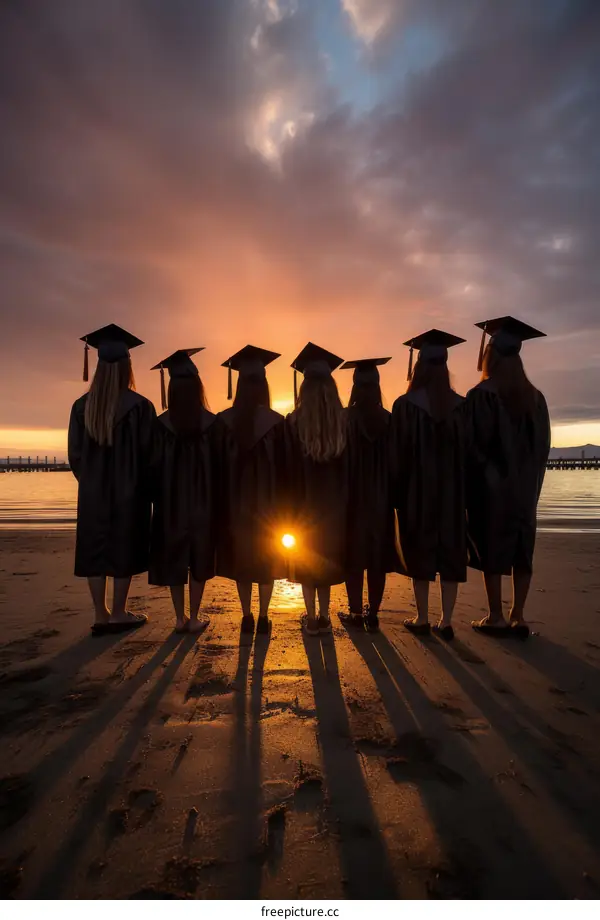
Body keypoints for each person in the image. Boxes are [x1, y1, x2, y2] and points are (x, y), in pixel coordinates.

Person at [68, 324, 156, 636]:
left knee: (95, 549)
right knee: (124, 547)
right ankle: (119, 611)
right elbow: (149, 455)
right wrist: (143, 485)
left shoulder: (81, 407)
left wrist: (92, 481)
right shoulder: (141, 407)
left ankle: (100, 614)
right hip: (129, 491)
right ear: (127, 367)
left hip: (92, 492)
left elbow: (75, 456)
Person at [467, 316, 550, 639]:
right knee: (522, 547)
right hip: (525, 488)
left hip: (492, 488)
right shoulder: (536, 398)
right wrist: (529, 482)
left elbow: (473, 445)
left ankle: (496, 615)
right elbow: (542, 447)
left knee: (492, 546)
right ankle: (519, 616)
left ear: (490, 355)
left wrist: (484, 475)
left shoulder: (481, 395)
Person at [390, 329, 467, 640]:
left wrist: (396, 493)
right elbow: (471, 453)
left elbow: (396, 454)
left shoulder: (405, 405)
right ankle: (446, 621)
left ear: (418, 366)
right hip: (452, 493)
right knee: (450, 551)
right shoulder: (462, 406)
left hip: (416, 493)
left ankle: (422, 617)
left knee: (419, 549)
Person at [216, 345, 286, 636]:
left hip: (235, 505)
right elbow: (285, 469)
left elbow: (217, 468)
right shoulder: (277, 423)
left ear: (239, 385)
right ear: (264, 386)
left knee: (241, 559)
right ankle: (264, 616)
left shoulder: (222, 421)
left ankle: (246, 616)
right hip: (268, 506)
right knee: (266, 561)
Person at [149, 348, 218, 634]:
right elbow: (219, 468)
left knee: (176, 558)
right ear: (198, 387)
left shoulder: (161, 425)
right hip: (203, 503)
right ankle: (195, 617)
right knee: (199, 559)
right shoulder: (213, 424)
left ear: (172, 389)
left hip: (170, 504)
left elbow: (151, 467)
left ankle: (179, 618)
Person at [285, 343, 347, 636]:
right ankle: (324, 615)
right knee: (326, 557)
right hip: (334, 503)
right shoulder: (342, 420)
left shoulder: (293, 421)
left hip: (303, 503)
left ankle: (310, 618)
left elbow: (288, 469)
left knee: (308, 558)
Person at [339, 356, 398, 633]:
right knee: (375, 558)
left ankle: (354, 611)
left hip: (351, 496)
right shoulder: (389, 420)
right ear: (377, 386)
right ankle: (373, 613)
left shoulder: (344, 418)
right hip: (381, 498)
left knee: (354, 557)